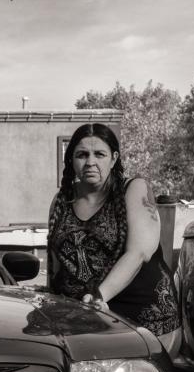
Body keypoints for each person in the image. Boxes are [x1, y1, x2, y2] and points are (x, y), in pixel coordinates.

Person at [47, 122, 180, 355]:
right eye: (81, 155)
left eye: (99, 154)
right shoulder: (61, 201)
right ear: (71, 160)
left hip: (143, 318)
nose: (90, 162)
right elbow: (56, 264)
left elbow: (140, 252)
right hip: (83, 319)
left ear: (114, 157)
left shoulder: (134, 189)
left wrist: (99, 297)